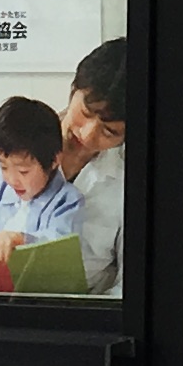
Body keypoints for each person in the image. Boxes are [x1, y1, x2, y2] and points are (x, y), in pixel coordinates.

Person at [0, 93, 83, 266]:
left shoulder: (67, 201)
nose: (12, 180)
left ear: (54, 161)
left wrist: (21, 239)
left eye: (23, 171)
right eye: (4, 167)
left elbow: (59, 249)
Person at [59, 36, 127, 297]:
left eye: (109, 132)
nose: (88, 136)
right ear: (73, 90)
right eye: (86, 113)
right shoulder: (9, 143)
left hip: (87, 308)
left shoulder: (127, 180)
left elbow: (129, 286)